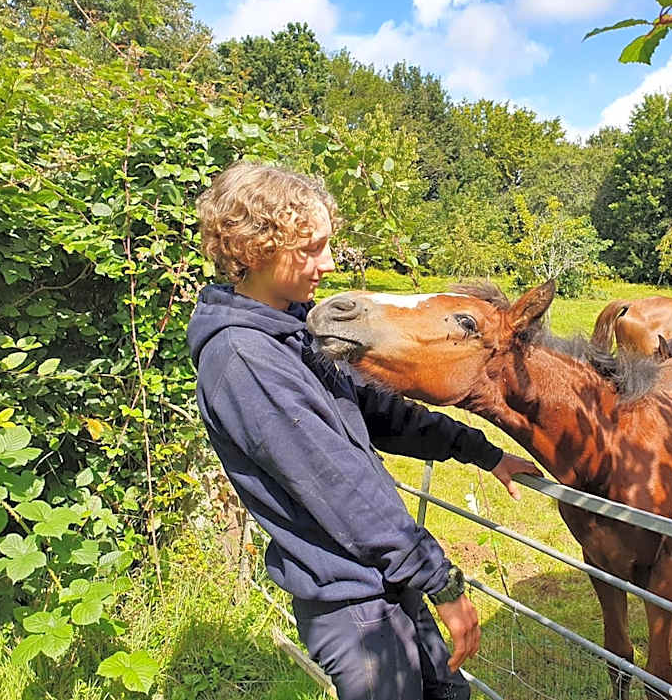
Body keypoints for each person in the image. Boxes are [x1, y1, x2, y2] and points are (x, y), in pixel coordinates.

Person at [186, 161, 542, 700]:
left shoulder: (292, 329)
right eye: (310, 249)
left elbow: (380, 412)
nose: (327, 264)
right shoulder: (245, 358)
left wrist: (481, 452)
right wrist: (440, 581)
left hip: (385, 580)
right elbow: (340, 486)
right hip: (352, 608)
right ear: (255, 248)